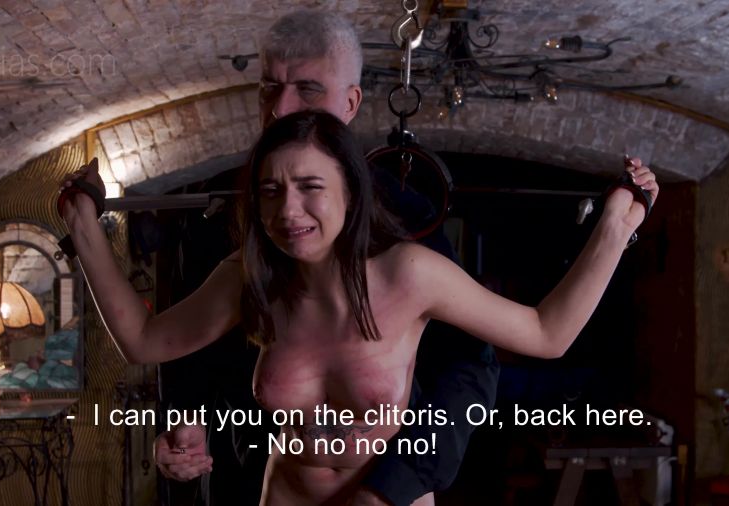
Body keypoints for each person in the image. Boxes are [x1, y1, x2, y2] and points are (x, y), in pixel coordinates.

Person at [62, 109, 659, 505]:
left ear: (350, 189)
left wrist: (614, 227)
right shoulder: (250, 279)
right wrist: (83, 223)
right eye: (270, 192)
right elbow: (143, 340)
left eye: (310, 187)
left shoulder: (410, 275)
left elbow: (546, 332)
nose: (287, 211)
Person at [160, 11, 502, 506]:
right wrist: (181, 422)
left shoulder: (405, 221)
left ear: (350, 102)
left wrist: (395, 485)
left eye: (307, 89)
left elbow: (468, 367)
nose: (281, 110)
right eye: (269, 89)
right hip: (249, 477)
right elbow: (183, 343)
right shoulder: (225, 215)